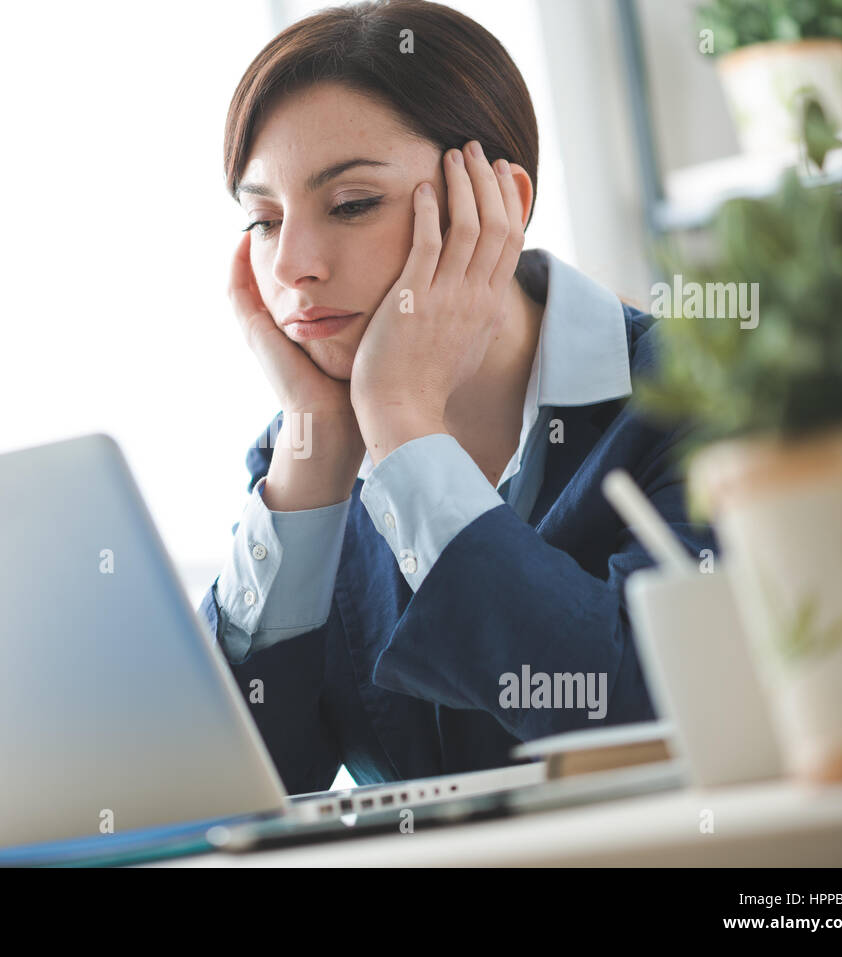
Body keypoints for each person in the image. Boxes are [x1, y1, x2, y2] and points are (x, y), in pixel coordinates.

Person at [196, 0, 715, 795]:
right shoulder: (307, 453)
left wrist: (405, 427)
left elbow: (648, 715)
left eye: (350, 204)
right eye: (263, 219)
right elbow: (228, 788)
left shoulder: (698, 394)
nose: (292, 263)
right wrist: (309, 469)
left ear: (497, 202)